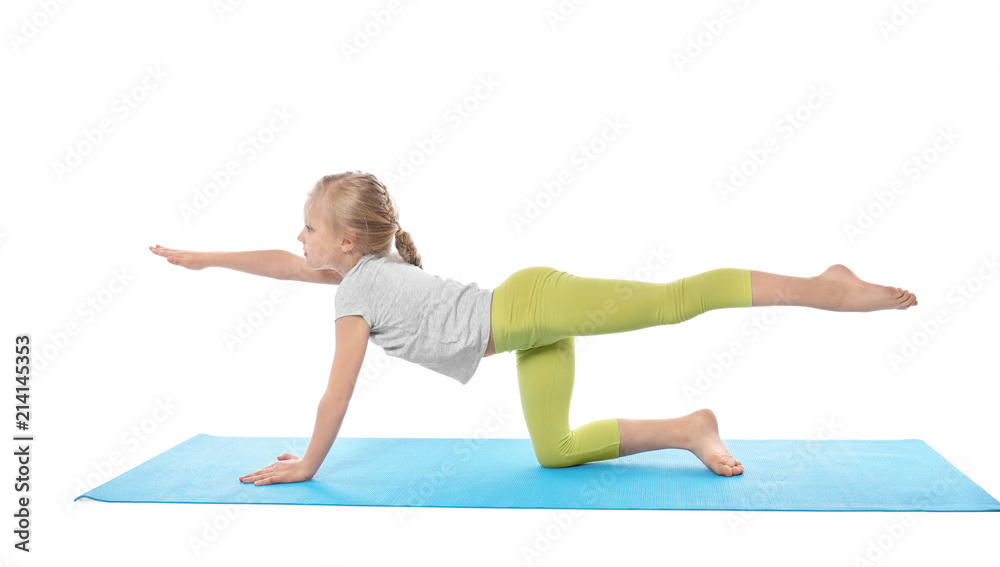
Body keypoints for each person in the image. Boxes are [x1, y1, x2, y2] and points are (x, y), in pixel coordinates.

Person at [149, 171, 918, 485]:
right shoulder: (360, 271)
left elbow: (336, 393)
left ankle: (824, 287)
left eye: (310, 229)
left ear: (346, 242)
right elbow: (285, 266)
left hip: (531, 306)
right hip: (527, 329)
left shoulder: (354, 295)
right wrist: (205, 259)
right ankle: (690, 427)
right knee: (555, 450)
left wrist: (309, 465)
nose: (300, 240)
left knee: (670, 300)